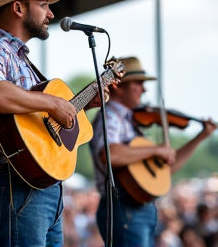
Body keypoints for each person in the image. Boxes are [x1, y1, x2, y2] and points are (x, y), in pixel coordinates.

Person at [0, 0, 105, 247]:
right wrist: (54, 102)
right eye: (43, 5)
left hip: (42, 188)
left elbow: (35, 125)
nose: (51, 14)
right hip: (15, 185)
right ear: (18, 8)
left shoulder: (22, 61)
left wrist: (81, 105)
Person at [89, 56, 217, 247]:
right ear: (119, 86)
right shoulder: (110, 116)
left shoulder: (131, 122)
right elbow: (110, 154)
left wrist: (199, 138)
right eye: (138, 83)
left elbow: (164, 171)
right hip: (123, 205)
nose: (144, 89)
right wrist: (156, 149)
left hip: (140, 207)